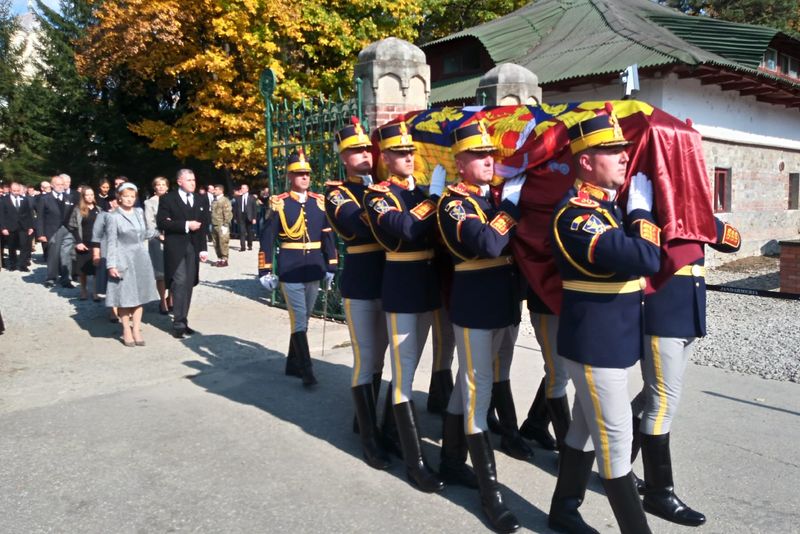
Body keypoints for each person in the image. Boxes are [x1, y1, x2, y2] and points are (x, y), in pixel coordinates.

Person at [547, 106, 660, 534]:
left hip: (608, 343)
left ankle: (563, 510)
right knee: (616, 441)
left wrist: (632, 212)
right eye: (612, 151)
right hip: (595, 346)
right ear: (586, 161)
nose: (624, 156)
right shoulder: (576, 215)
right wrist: (642, 213)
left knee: (581, 429)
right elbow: (646, 258)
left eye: (623, 149)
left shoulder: (607, 209)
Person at [436, 120, 526, 533]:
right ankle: (491, 497)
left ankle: (451, 460)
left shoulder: (488, 200)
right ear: (460, 163)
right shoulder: (454, 204)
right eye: (478, 155)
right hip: (475, 308)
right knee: (478, 392)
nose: (489, 161)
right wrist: (510, 209)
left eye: (491, 155)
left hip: (501, 303)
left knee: (466, 385)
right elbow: (489, 244)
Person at [628, 220, 741, 527]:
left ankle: (619, 466)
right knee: (662, 402)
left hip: (687, 313)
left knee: (652, 396)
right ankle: (659, 493)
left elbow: (733, 242)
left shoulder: (693, 214)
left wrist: (699, 218)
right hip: (661, 313)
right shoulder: (650, 210)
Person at [362, 121, 447, 493]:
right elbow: (408, 228)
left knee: (408, 369)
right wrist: (435, 199)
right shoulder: (378, 196)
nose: (408, 157)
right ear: (386, 159)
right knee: (404, 371)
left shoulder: (422, 192)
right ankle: (415, 464)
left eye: (411, 152)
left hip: (425, 286)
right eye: (399, 153)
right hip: (401, 287)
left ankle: (390, 434)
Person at [324, 117, 390, 471]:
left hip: (390, 279)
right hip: (362, 282)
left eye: (367, 149)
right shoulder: (337, 193)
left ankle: (365, 420)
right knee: (366, 358)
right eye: (356, 151)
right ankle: (368, 438)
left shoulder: (381, 186)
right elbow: (356, 225)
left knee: (382, 357)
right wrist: (384, 201)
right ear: (343, 157)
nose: (365, 154)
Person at [258, 150, 337, 387]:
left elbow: (327, 235)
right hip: (290, 268)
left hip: (313, 267)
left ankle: (292, 364)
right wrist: (264, 270)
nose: (304, 177)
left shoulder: (318, 202)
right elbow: (267, 238)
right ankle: (307, 370)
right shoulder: (280, 203)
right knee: (299, 318)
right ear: (290, 176)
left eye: (307, 174)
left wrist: (331, 264)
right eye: (299, 173)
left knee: (304, 318)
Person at [157, 168, 210, 338]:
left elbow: (203, 225)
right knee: (179, 282)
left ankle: (183, 319)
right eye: (189, 180)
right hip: (176, 247)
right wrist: (186, 225)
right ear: (179, 182)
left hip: (193, 247)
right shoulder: (168, 199)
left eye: (194, 180)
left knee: (188, 284)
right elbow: (162, 223)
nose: (193, 183)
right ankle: (178, 324)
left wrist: (203, 248)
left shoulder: (201, 199)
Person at [105, 183, 159, 346]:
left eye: (132, 196)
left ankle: (136, 329)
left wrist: (161, 232)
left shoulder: (139, 212)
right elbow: (111, 242)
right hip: (123, 258)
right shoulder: (113, 216)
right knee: (125, 297)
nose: (129, 199)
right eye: (126, 196)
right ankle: (126, 330)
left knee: (139, 296)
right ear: (119, 197)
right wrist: (111, 265)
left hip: (140, 257)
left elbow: (144, 233)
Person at [35, 175, 75, 287]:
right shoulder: (45, 198)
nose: (60, 186)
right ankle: (51, 278)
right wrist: (40, 234)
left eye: (62, 184)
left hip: (67, 230)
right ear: (52, 185)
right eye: (58, 184)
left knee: (66, 255)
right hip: (52, 230)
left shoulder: (69, 197)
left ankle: (66, 279)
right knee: (53, 255)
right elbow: (40, 217)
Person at [67, 187, 100, 300]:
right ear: (83, 196)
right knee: (82, 271)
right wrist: (78, 242)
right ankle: (83, 290)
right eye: (87, 195)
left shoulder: (99, 210)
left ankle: (96, 292)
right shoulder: (78, 210)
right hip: (83, 243)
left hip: (96, 243)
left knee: (96, 269)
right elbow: (72, 227)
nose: (90, 197)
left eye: (92, 194)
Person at [144, 177, 170, 314]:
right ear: (154, 187)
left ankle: (171, 298)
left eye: (163, 184)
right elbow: (149, 223)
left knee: (174, 271)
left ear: (167, 187)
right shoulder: (149, 203)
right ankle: (162, 301)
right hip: (157, 239)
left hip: (173, 238)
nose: (160, 187)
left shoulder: (173, 199)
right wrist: (160, 236)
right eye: (158, 185)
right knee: (161, 273)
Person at [0, 182, 35, 272]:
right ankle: (13, 264)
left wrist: (31, 226)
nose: (16, 192)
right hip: (10, 227)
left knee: (24, 245)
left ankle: (23, 265)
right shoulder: (4, 200)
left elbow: (29, 214)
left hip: (23, 226)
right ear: (10, 190)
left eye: (18, 191)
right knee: (12, 246)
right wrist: (3, 228)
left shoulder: (24, 199)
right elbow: (1, 215)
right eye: (14, 191)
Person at [210, 184, 233, 267]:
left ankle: (224, 259)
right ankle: (219, 258)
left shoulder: (225, 200)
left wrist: (225, 224)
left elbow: (228, 213)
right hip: (214, 224)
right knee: (216, 243)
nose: (214, 191)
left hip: (222, 225)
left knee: (223, 242)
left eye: (216, 189)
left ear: (221, 190)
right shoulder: (214, 200)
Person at [233, 184, 257, 251]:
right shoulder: (238, 198)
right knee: (242, 232)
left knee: (249, 232)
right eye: (241, 188)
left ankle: (250, 245)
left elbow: (254, 209)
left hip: (249, 216)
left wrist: (254, 218)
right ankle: (242, 247)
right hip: (241, 216)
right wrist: (235, 217)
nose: (242, 189)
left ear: (247, 189)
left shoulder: (252, 198)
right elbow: (235, 209)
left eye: (243, 188)